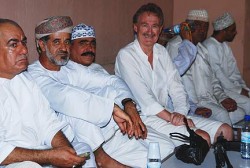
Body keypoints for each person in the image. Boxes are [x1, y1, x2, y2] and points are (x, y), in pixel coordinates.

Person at [28, 16, 151, 168]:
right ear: (41, 44)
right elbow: (65, 97)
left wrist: (128, 103)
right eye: (56, 42)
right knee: (73, 109)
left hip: (93, 134)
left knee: (108, 90)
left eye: (67, 42)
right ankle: (103, 159)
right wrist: (112, 108)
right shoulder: (33, 74)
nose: (64, 48)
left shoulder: (69, 68)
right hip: (53, 139)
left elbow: (111, 81)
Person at [115, 3, 233, 147]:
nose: (150, 31)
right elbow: (145, 99)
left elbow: (176, 86)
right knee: (202, 138)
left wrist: (180, 113)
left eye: (155, 26)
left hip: (168, 114)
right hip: (144, 118)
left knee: (225, 131)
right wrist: (172, 117)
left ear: (160, 29)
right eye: (145, 25)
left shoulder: (161, 52)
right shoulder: (126, 55)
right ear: (135, 27)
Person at [70, 23, 179, 160]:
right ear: (70, 46)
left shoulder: (96, 68)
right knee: (150, 157)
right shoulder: (66, 74)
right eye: (83, 43)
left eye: (93, 43)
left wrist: (129, 105)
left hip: (126, 123)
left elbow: (117, 83)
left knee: (166, 147)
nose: (89, 48)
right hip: (104, 137)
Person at [0, 18, 96, 168]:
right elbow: (2, 151)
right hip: (12, 163)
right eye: (14, 45)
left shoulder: (25, 79)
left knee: (83, 150)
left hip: (42, 154)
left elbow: (48, 123)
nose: (24, 50)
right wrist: (51, 156)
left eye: (24, 42)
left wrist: (66, 151)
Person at [166, 9, 246, 125]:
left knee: (239, 113)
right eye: (199, 26)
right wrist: (194, 108)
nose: (203, 31)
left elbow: (213, 79)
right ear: (188, 27)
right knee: (223, 116)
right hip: (193, 103)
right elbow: (181, 82)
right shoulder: (175, 46)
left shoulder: (202, 48)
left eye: (205, 27)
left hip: (209, 99)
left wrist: (222, 98)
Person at [202, 12, 250, 115]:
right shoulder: (210, 46)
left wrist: (243, 88)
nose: (235, 32)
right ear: (223, 31)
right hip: (219, 90)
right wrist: (239, 91)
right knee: (248, 104)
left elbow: (234, 71)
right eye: (232, 30)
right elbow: (219, 76)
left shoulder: (224, 45)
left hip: (230, 88)